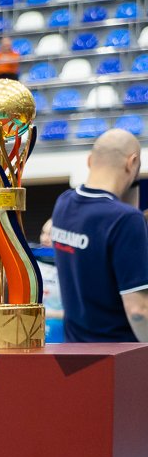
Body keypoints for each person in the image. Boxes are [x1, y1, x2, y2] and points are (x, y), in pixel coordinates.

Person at [52, 129, 148, 341]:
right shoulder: (126, 219)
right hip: (117, 354)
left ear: (90, 161)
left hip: (75, 350)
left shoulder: (63, 203)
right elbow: (138, 312)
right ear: (132, 163)